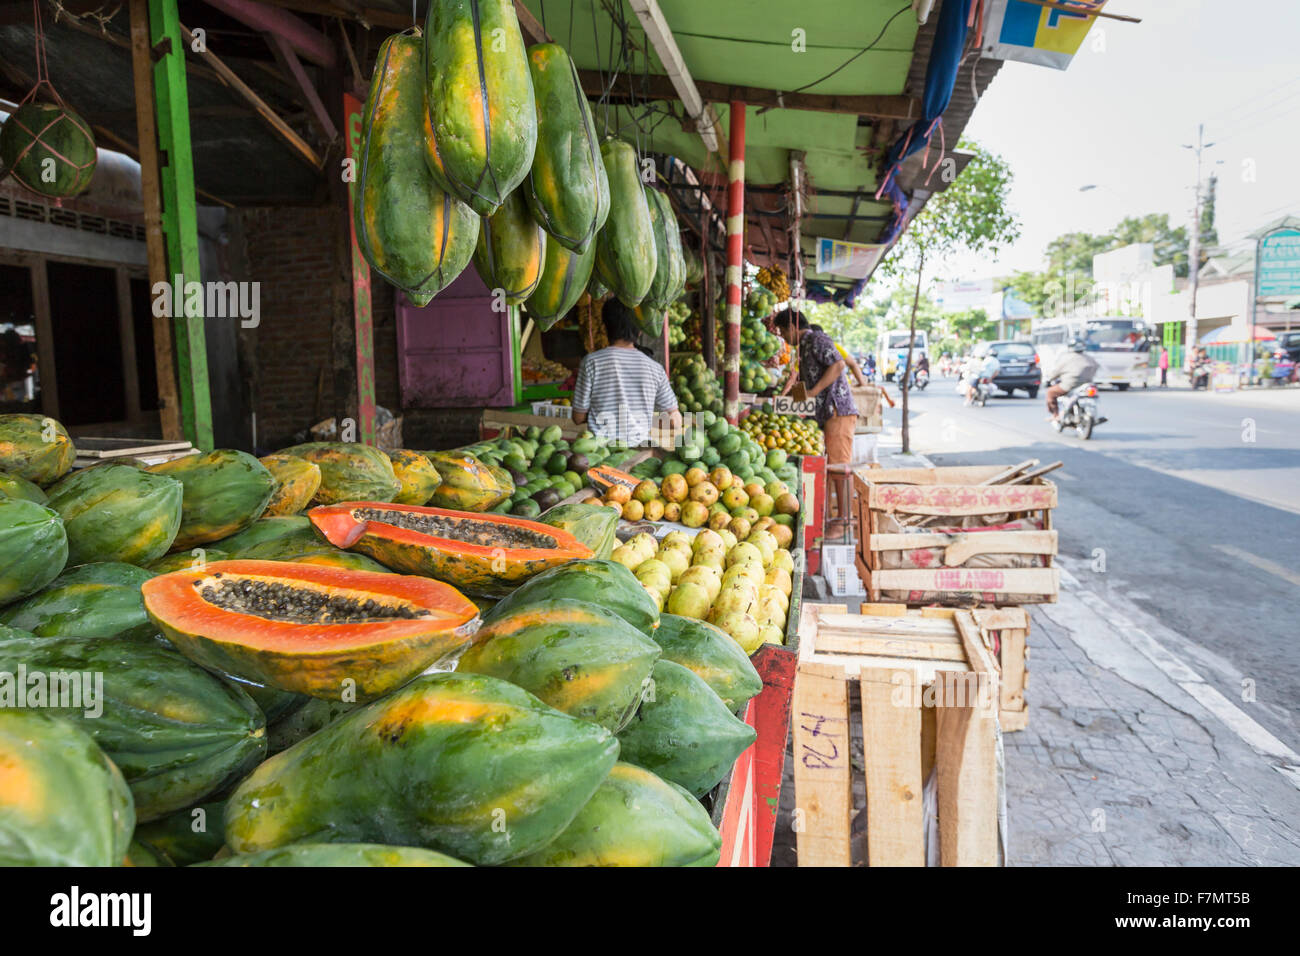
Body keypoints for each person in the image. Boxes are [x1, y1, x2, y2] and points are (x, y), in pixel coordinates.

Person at [775, 309, 857, 514]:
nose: (783, 337)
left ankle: (843, 521)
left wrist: (814, 391)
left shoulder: (817, 339)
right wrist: (783, 402)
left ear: (792, 327)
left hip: (837, 410)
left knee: (839, 468)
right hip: (823, 415)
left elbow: (838, 364)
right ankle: (828, 516)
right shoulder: (802, 348)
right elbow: (806, 383)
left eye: (783, 331)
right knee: (827, 467)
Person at [572, 298, 681, 445]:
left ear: (605, 327)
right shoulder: (655, 369)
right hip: (640, 452)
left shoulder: (591, 362)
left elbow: (578, 417)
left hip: (602, 452)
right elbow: (674, 420)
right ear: (640, 330)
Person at [1043, 338, 1099, 420]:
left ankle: (1055, 415)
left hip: (1070, 385)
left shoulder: (1066, 358)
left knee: (1050, 392)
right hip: (1087, 385)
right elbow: (1096, 367)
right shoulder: (1089, 358)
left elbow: (1056, 371)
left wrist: (1050, 378)